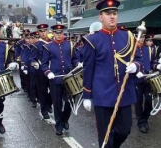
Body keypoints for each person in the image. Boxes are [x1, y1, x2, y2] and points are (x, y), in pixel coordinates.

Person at [82, 1, 142, 147]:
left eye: (114, 13)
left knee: (125, 129)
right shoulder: (92, 40)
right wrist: (87, 95)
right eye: (108, 14)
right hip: (103, 95)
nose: (112, 17)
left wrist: (135, 66)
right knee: (105, 136)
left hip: (124, 93)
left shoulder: (127, 36)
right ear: (100, 17)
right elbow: (88, 69)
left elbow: (139, 58)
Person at [42, 24, 79, 135]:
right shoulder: (48, 47)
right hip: (55, 80)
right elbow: (44, 64)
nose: (59, 35)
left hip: (69, 79)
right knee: (57, 103)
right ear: (53, 33)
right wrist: (48, 73)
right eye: (57, 33)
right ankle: (59, 125)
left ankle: (65, 119)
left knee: (69, 102)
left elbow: (75, 59)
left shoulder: (70, 45)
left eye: (61, 33)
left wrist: (78, 63)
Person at [29, 24, 53, 119]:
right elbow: (31, 59)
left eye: (45, 31)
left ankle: (48, 104)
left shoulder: (52, 43)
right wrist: (35, 64)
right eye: (41, 31)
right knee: (42, 91)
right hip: (41, 71)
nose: (43, 33)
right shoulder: (36, 45)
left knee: (53, 90)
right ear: (38, 33)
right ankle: (44, 111)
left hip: (52, 70)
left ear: (47, 32)